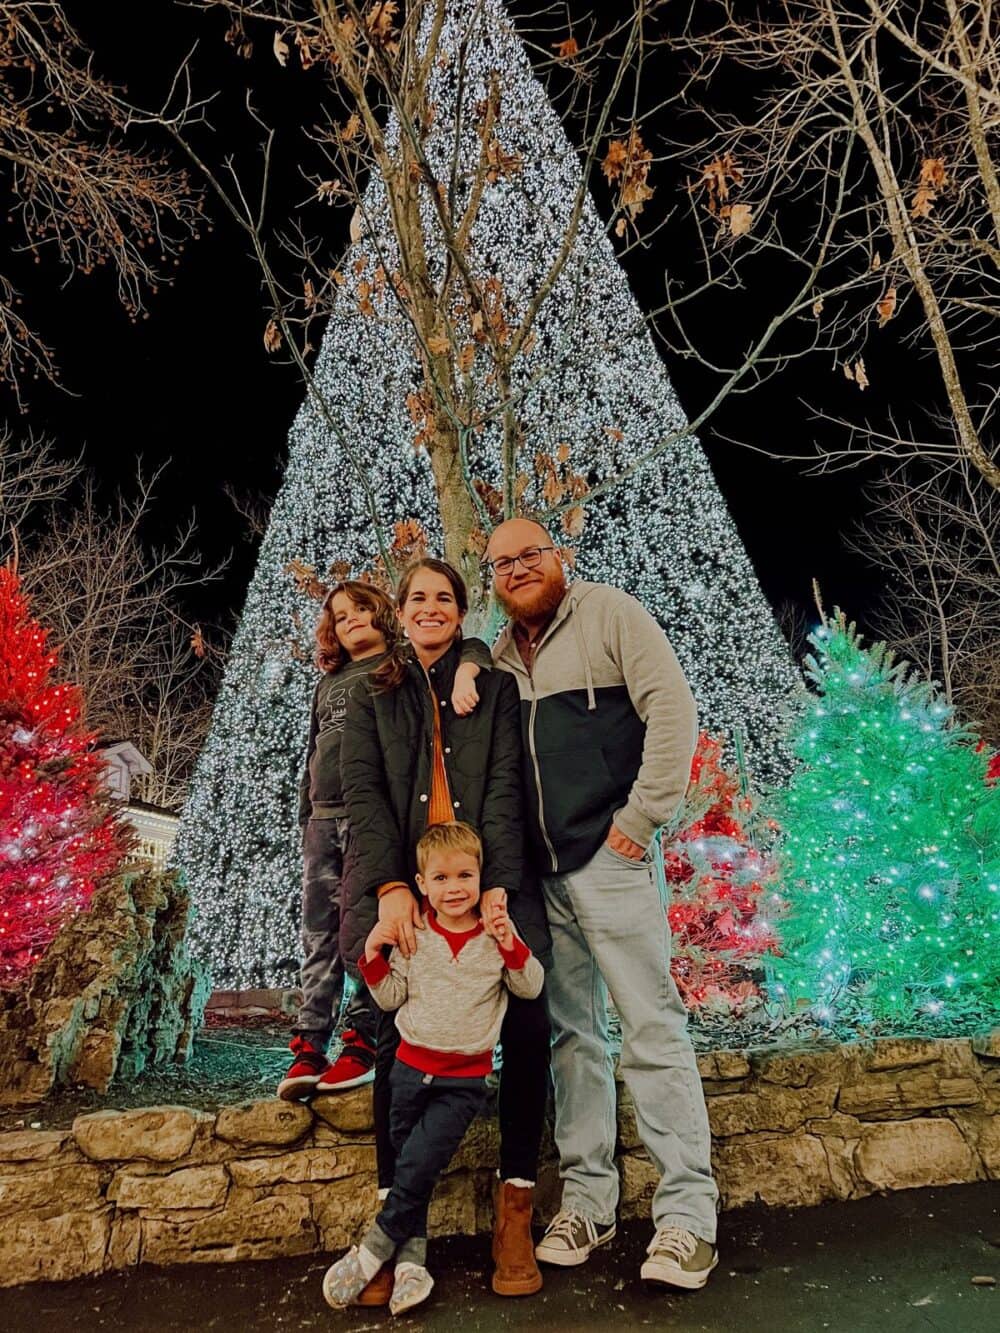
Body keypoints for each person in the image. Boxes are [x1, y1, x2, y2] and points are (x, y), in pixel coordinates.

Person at [483, 517, 720, 1291]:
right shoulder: (496, 657)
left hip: (611, 861)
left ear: (560, 558)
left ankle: (688, 1215)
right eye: (501, 562)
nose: (517, 569)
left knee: (650, 1025)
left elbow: (673, 712)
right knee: (572, 1039)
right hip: (542, 880)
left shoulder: (612, 613)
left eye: (529, 554)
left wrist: (639, 820)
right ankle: (590, 1200)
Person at [340, 556, 552, 1303]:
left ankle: (516, 1207)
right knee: (393, 1036)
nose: (429, 607)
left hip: (487, 879)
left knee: (530, 1024)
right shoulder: (373, 694)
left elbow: (503, 786)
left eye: (444, 598)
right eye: (417, 598)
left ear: (462, 614)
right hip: (407, 885)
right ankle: (400, 1225)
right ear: (400, 612)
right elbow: (361, 791)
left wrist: (496, 891)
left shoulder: (489, 687)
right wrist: (392, 888)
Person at [322, 821, 544, 1316]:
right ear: (422, 884)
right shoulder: (415, 934)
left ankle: (373, 1250)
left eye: (465, 876)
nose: (454, 888)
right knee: (409, 1167)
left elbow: (530, 986)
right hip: (407, 1070)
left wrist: (510, 943)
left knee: (422, 1160)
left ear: (482, 878)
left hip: (461, 1082)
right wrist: (373, 954)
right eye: (441, 879)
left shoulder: (494, 937)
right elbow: (391, 996)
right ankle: (411, 1264)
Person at [278, 579, 484, 1101]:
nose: (349, 620)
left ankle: (361, 1035)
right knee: (318, 929)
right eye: (339, 615)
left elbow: (471, 644)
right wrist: (306, 814)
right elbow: (311, 755)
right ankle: (309, 1040)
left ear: (384, 614)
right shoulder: (328, 683)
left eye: (360, 610)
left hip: (373, 819)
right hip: (323, 819)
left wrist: (467, 669)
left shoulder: (398, 667)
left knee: (366, 926)